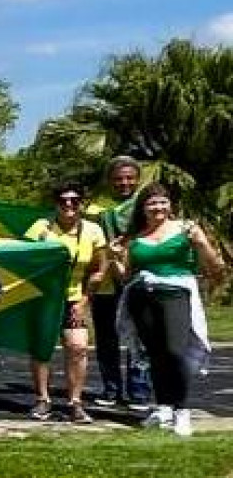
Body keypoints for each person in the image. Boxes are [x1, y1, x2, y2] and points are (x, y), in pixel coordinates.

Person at [109, 183, 226, 438]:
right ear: (143, 207)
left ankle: (181, 412)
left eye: (163, 202)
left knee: (175, 352)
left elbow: (216, 268)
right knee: (156, 354)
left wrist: (202, 245)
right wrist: (115, 258)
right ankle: (163, 408)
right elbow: (126, 276)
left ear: (170, 205)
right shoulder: (135, 237)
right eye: (152, 203)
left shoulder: (187, 229)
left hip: (176, 293)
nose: (158, 207)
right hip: (141, 296)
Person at [25, 182, 106, 424]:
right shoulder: (41, 228)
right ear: (55, 204)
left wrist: (85, 300)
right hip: (43, 298)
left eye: (74, 200)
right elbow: (25, 261)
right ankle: (42, 399)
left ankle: (75, 402)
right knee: (42, 350)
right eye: (63, 200)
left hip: (74, 298)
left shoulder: (93, 230)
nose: (69, 204)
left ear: (81, 203)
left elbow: (99, 269)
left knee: (78, 347)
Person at [87, 155, 146, 406]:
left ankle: (139, 391)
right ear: (110, 180)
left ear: (137, 179)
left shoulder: (146, 205)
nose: (124, 183)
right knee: (106, 336)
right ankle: (111, 389)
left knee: (138, 335)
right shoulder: (95, 208)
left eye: (129, 178)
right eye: (119, 178)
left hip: (137, 279)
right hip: (105, 282)